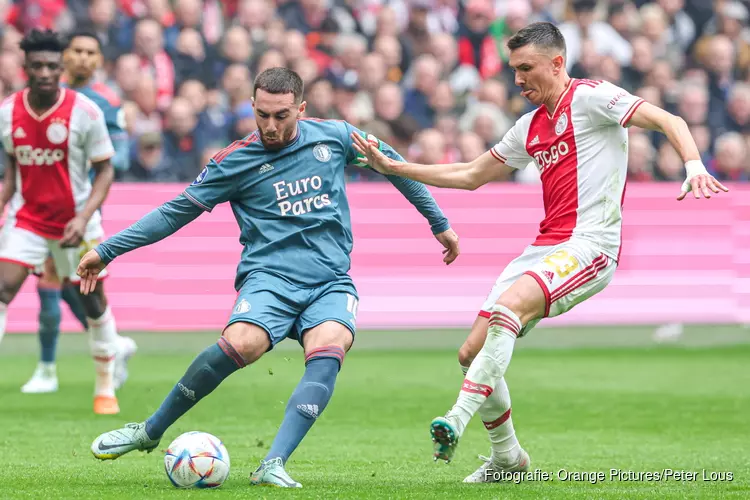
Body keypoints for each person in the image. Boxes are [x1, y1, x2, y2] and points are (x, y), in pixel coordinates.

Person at [350, 21, 728, 482]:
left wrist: (692, 164)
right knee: (471, 352)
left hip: (591, 246)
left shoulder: (592, 97)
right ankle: (509, 459)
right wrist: (394, 166)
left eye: (526, 68)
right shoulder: (529, 126)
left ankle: (457, 416)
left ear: (557, 63)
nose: (518, 79)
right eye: (514, 70)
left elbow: (670, 119)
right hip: (544, 248)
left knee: (508, 310)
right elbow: (471, 174)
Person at [81, 67, 460, 488]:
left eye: (282, 115)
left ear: (301, 108)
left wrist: (438, 222)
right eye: (263, 115)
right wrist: (106, 249)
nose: (271, 126)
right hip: (270, 279)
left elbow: (393, 166)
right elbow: (174, 213)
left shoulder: (334, 137)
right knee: (243, 342)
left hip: (330, 281)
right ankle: (149, 430)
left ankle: (273, 463)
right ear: (252, 108)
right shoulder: (234, 161)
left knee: (331, 343)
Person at [0, 29, 125, 415]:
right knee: (2, 289)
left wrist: (85, 216)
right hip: (28, 220)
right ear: (25, 68)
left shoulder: (85, 111)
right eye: (37, 65)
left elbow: (105, 170)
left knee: (93, 302)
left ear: (61, 68)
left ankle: (105, 387)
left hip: (77, 224)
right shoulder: (7, 112)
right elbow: (11, 172)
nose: (44, 73)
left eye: (51, 66)